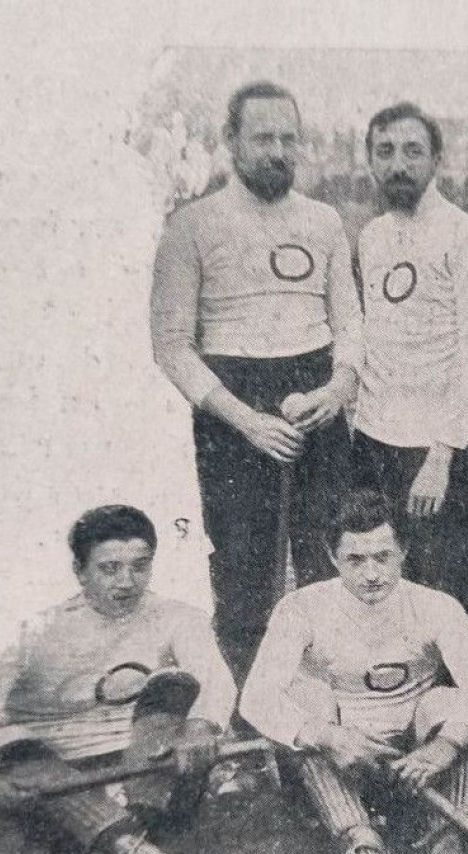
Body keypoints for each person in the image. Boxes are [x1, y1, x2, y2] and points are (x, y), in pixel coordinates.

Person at [150, 80, 363, 679]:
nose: (276, 151)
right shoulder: (191, 226)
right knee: (244, 577)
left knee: (332, 560)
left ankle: (336, 699)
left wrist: (336, 388)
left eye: (287, 139)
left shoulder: (323, 221)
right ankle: (247, 725)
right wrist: (244, 420)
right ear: (230, 141)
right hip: (233, 411)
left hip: (316, 400)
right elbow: (170, 346)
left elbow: (350, 323)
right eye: (262, 137)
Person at [0, 506, 237, 854]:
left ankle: (115, 853)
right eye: (110, 569)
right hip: (63, 772)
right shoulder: (35, 632)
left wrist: (203, 725)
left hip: (146, 761)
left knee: (172, 687)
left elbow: (214, 681)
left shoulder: (179, 617)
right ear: (79, 570)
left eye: (140, 567)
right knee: (9, 745)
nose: (127, 582)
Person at [239, 490, 468, 854]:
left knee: (449, 703)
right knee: (307, 697)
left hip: (418, 763)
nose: (372, 575)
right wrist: (327, 735)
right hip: (341, 763)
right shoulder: (301, 609)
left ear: (404, 551)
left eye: (383, 557)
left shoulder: (436, 606)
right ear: (332, 556)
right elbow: (256, 697)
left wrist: (447, 745)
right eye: (355, 560)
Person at [352, 103, 468, 645]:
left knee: (452, 590)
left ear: (436, 158)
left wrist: (441, 454)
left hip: (446, 447)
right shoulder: (370, 237)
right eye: (385, 152)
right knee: (387, 582)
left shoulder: (464, 235)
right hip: (377, 437)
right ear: (370, 159)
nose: (399, 165)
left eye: (413, 151)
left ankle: (467, 711)